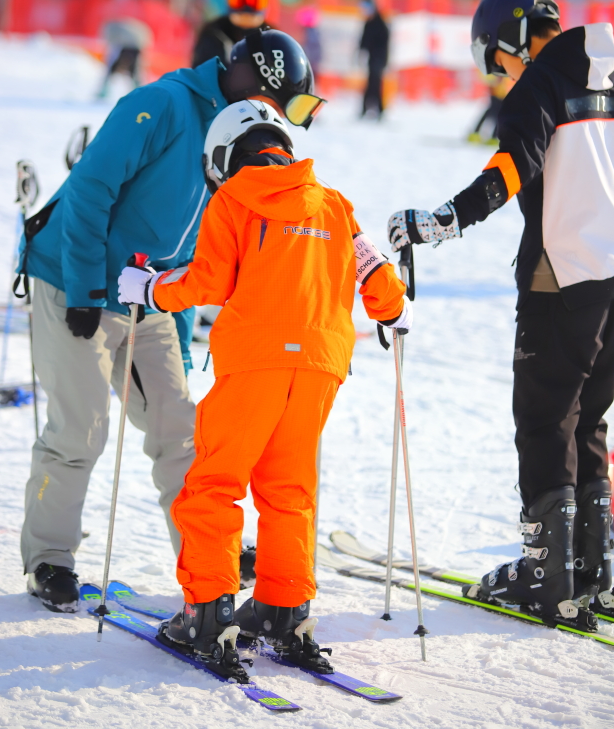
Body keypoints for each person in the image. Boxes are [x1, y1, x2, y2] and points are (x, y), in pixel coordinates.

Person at [17, 27, 320, 613]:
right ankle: (49, 558)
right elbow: (89, 192)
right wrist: (85, 289)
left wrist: (179, 340)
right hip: (73, 280)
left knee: (181, 429)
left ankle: (208, 556)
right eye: (281, 105)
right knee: (79, 428)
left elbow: (192, 253)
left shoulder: (242, 138)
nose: (276, 121)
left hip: (146, 299)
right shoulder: (161, 104)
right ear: (258, 83)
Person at [117, 99, 411, 680]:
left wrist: (151, 290)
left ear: (228, 155)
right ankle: (284, 608)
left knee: (214, 484)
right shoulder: (334, 204)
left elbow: (206, 280)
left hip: (255, 361)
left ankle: (208, 614)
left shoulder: (234, 198)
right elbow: (378, 278)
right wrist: (391, 309)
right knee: (289, 489)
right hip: (322, 366)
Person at [387, 0, 614, 632]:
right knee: (588, 417)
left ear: (513, 38)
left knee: (545, 418)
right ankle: (594, 572)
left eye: (497, 57)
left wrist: (441, 222)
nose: (500, 72)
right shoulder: (611, 70)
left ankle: (547, 578)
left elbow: (511, 167)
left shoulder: (540, 84)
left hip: (561, 273)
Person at [192, 0, 269, 68]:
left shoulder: (272, 37)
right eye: (239, 0)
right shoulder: (213, 33)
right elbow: (199, 72)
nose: (246, 10)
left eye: (255, 1)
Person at [358, 0, 389, 119]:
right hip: (372, 59)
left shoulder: (380, 23)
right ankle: (366, 109)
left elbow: (383, 43)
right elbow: (364, 40)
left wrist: (380, 59)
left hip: (378, 60)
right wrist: (361, 52)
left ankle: (378, 110)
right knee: (371, 84)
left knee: (375, 85)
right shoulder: (369, 22)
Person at [467, 75, 512, 144]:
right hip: (497, 94)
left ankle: (491, 136)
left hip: (501, 94)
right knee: (496, 115)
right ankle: (490, 136)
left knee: (496, 115)